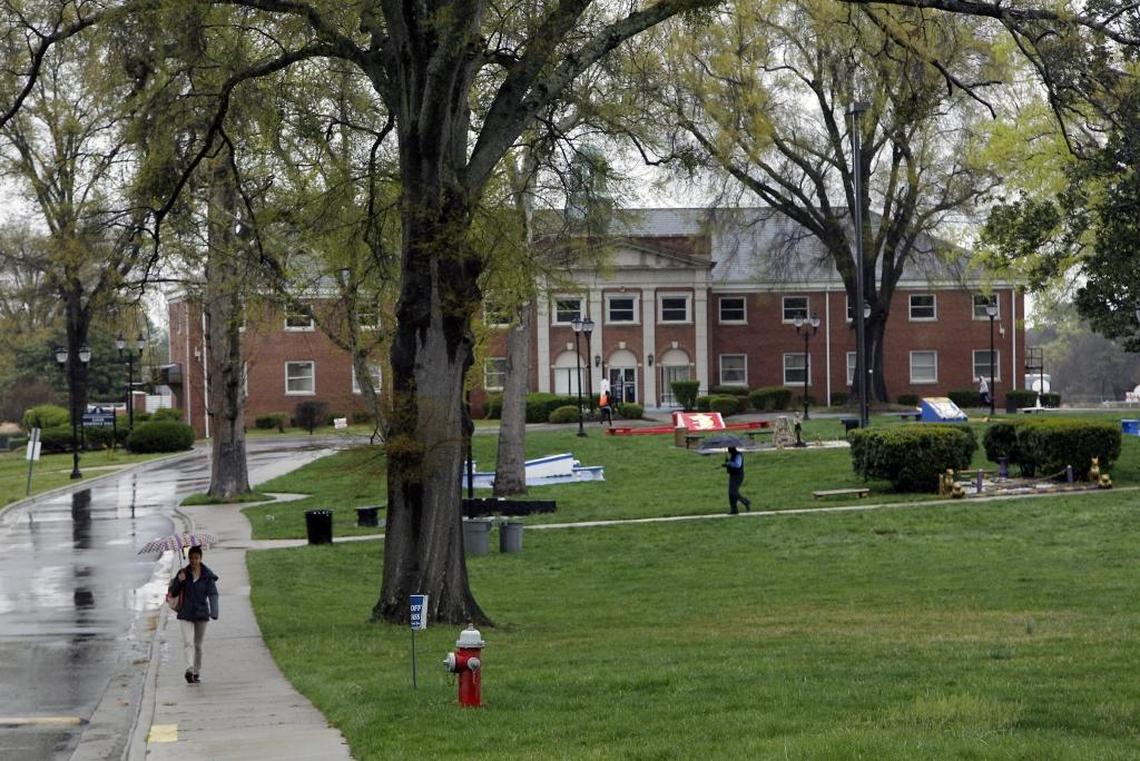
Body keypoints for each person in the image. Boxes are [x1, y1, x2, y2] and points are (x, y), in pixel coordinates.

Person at [168, 545, 219, 684]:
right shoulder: (183, 572)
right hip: (186, 613)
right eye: (191, 558)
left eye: (196, 558)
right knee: (188, 642)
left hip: (201, 614)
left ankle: (196, 671)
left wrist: (214, 611)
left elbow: (213, 593)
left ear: (201, 558)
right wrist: (179, 580)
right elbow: (173, 591)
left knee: (198, 644)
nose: (193, 561)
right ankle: (189, 669)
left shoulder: (207, 575)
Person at [722, 445, 751, 514]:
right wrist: (727, 463)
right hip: (733, 475)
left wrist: (729, 463)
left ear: (733, 449)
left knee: (733, 492)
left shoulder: (738, 455)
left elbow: (738, 465)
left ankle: (746, 501)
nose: (728, 451)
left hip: (738, 476)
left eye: (729, 449)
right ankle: (734, 509)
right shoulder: (733, 455)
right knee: (730, 493)